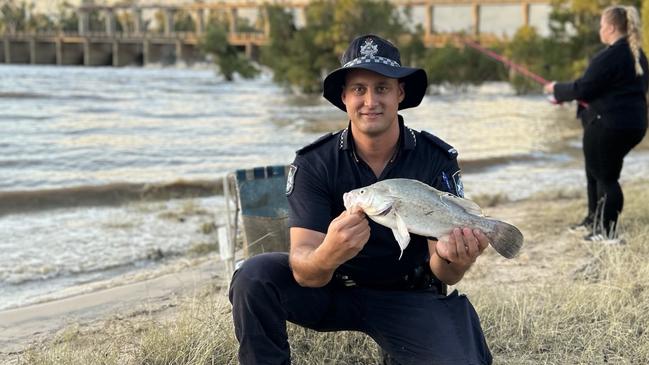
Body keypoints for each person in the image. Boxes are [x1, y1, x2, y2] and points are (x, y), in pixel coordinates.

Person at [229, 34, 493, 365]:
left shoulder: (434, 158)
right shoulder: (314, 162)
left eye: (382, 87)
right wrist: (328, 254)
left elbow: (445, 274)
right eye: (359, 89)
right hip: (333, 290)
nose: (371, 100)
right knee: (254, 275)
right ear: (344, 97)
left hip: (408, 295)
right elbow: (304, 269)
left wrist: (456, 256)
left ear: (400, 93)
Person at [544, 5, 648, 241]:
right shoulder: (637, 54)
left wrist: (556, 89)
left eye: (602, 25)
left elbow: (584, 87)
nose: (600, 30)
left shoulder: (609, 56)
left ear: (611, 28)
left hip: (608, 125)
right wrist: (573, 96)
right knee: (596, 172)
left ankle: (607, 232)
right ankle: (594, 219)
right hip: (634, 124)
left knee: (606, 177)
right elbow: (615, 90)